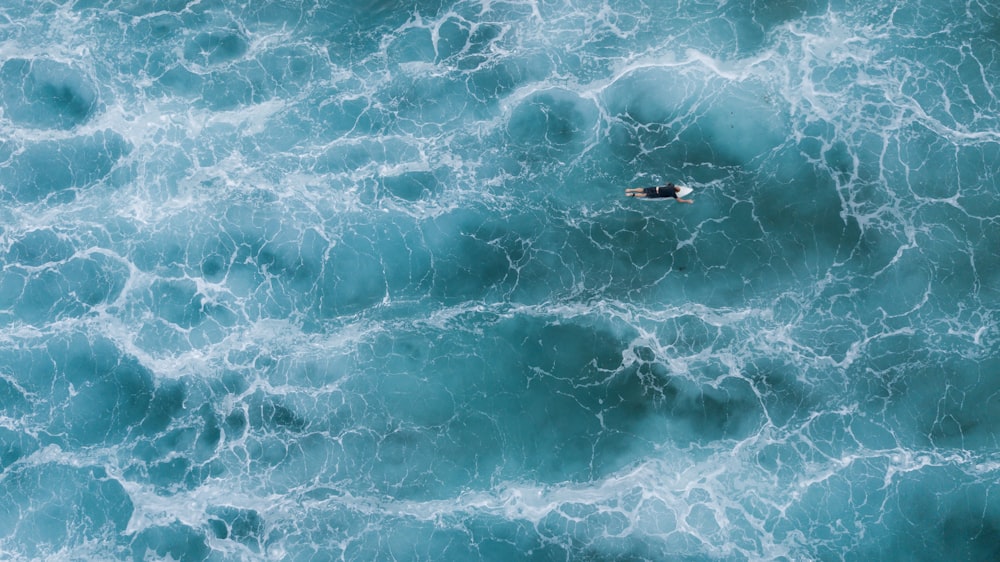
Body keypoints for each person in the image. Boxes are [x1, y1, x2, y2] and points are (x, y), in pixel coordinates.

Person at [625, 182, 693, 203]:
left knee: (643, 190)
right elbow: (679, 200)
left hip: (656, 188)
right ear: (676, 191)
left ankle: (630, 190)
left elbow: (668, 183)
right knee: (644, 195)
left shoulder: (671, 186)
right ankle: (631, 194)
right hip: (657, 194)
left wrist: (666, 184)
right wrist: (687, 201)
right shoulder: (673, 194)